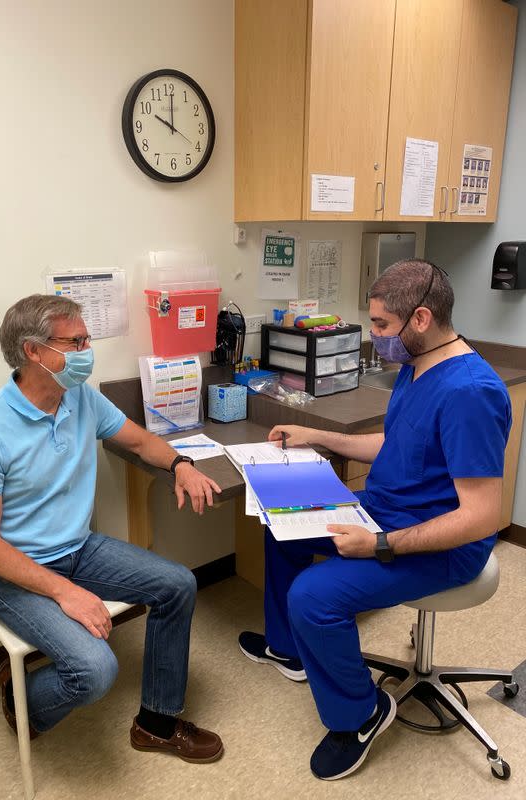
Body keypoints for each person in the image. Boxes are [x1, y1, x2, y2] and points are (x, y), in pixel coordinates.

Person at [239, 259, 511, 781]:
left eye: (382, 326)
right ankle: (290, 650)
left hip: (440, 546)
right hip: (385, 514)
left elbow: (481, 517)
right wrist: (319, 437)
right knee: (281, 526)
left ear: (422, 318)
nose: (375, 336)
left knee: (314, 597)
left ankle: (361, 713)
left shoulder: (469, 393)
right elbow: (396, 443)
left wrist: (380, 545)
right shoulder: (419, 365)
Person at [0, 294, 224, 763]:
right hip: (4, 573)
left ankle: (156, 724)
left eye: (86, 338)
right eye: (75, 341)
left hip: (75, 548)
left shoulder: (78, 397)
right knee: (95, 671)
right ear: (33, 351)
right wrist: (65, 592)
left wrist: (180, 463)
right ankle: (23, 701)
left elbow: (139, 441)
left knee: (177, 584)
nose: (87, 349)